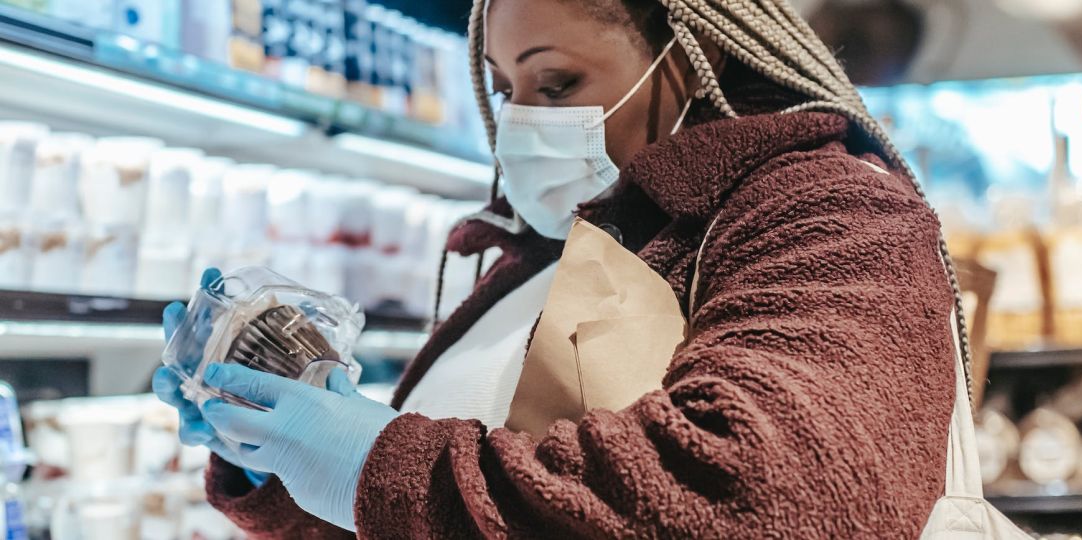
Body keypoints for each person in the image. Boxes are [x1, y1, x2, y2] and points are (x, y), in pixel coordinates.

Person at [152, 0, 969, 537]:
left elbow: (778, 495)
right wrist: (285, 469)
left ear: (685, 56)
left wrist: (377, 463)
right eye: (506, 88)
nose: (518, 122)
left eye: (556, 81)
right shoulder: (535, 260)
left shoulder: (829, 213)